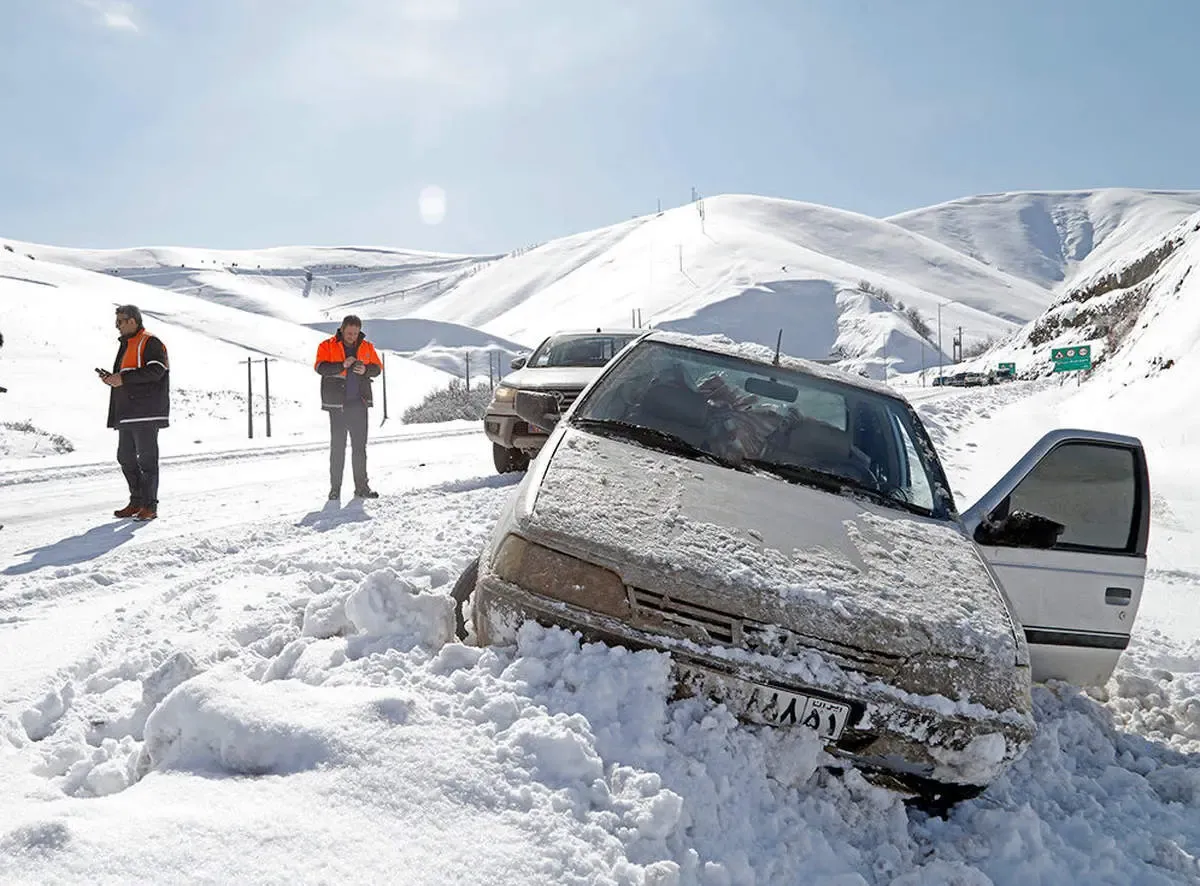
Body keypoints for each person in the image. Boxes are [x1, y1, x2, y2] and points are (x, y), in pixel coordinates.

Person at [100, 305, 170, 521]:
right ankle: (137, 501)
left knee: (147, 461)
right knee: (125, 458)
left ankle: (150, 506)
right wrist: (113, 378)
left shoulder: (150, 342)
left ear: (133, 321)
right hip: (127, 412)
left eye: (120, 321)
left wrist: (123, 379)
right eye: (117, 322)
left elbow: (157, 370)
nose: (117, 326)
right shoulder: (127, 344)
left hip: (146, 413)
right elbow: (128, 374)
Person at [314, 315, 383, 499]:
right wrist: (341, 365)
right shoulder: (326, 345)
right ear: (342, 329)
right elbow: (320, 367)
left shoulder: (367, 347)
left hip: (359, 405)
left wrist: (366, 370)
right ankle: (335, 489)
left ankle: (362, 488)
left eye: (355, 332)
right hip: (337, 406)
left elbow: (377, 368)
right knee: (338, 448)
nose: (352, 336)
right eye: (349, 332)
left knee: (360, 448)